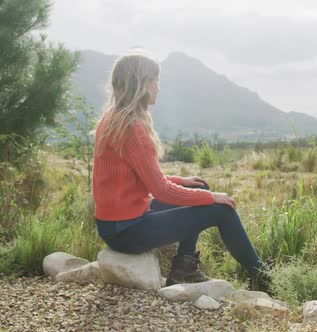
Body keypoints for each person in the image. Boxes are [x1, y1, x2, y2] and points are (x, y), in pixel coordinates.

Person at [92, 52, 270, 290]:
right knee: (222, 211)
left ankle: (184, 267)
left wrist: (184, 181)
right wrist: (212, 198)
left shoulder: (114, 118)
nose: (157, 86)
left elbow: (141, 179)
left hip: (117, 224)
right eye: (153, 80)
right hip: (127, 231)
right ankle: (262, 276)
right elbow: (162, 191)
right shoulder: (132, 127)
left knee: (198, 187)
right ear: (141, 84)